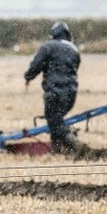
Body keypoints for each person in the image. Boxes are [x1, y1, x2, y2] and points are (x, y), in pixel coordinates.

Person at [23, 21, 81, 153]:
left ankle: (76, 145)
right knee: (57, 120)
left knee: (54, 122)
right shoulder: (74, 49)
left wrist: (28, 77)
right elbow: (76, 67)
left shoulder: (48, 47)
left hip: (54, 92)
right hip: (71, 92)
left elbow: (36, 65)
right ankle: (56, 150)